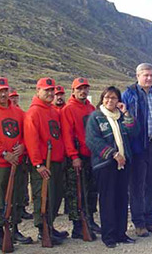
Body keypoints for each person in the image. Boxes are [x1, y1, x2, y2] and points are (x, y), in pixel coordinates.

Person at [0, 78, 33, 250]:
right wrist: (4, 153)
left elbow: (26, 132)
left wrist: (23, 146)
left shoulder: (17, 111)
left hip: (16, 163)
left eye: (5, 90)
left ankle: (14, 228)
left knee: (16, 197)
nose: (3, 94)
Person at [86, 86, 137, 248]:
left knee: (122, 199)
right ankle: (109, 236)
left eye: (114, 98)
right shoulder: (96, 117)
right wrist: (114, 154)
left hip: (123, 165)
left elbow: (134, 132)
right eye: (107, 97)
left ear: (118, 100)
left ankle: (121, 233)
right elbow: (92, 141)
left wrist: (127, 113)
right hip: (106, 165)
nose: (110, 100)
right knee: (108, 200)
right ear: (102, 98)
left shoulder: (121, 116)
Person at [122, 63, 152, 237]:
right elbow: (123, 122)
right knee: (137, 186)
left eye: (151, 75)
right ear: (137, 75)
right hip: (138, 147)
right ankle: (139, 223)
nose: (148, 78)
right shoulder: (129, 95)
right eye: (145, 75)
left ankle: (151, 221)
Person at [24, 77, 67, 246]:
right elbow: (31, 141)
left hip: (56, 161)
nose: (50, 93)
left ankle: (50, 225)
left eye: (52, 90)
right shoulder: (34, 112)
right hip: (43, 164)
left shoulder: (52, 111)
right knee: (43, 197)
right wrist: (37, 164)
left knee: (55, 196)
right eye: (46, 90)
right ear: (38, 91)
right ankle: (43, 230)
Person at [60, 78, 100, 239]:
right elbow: (67, 135)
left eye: (85, 88)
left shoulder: (90, 108)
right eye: (79, 89)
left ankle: (90, 220)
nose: (83, 91)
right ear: (73, 91)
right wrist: (73, 156)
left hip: (91, 156)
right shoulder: (68, 109)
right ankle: (78, 226)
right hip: (77, 157)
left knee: (91, 191)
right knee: (77, 192)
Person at [9, 89, 33, 220]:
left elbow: (27, 133)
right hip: (6, 159)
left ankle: (22, 207)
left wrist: (23, 146)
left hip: (21, 157)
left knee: (22, 184)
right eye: (11, 97)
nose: (13, 99)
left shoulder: (21, 113)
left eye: (15, 97)